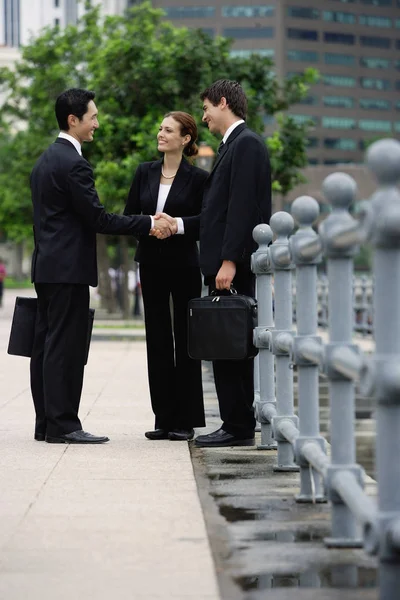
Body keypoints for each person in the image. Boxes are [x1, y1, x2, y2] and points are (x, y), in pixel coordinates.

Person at [30, 88, 173, 445]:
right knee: (64, 346)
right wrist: (146, 224)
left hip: (46, 265)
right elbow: (98, 219)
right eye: (92, 117)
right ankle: (64, 425)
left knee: (46, 345)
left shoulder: (44, 160)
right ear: (73, 120)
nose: (97, 123)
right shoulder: (74, 163)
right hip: (68, 269)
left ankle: (46, 423)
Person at [194, 79, 272, 448]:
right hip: (224, 263)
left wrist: (229, 261)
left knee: (230, 344)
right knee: (226, 342)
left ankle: (237, 425)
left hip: (232, 265)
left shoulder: (247, 144)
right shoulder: (233, 146)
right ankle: (235, 421)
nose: (204, 116)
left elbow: (242, 208)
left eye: (206, 107)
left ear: (223, 102)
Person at [124, 111, 208, 441]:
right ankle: (163, 418)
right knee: (157, 339)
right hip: (152, 262)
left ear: (185, 139)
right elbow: (130, 215)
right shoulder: (144, 172)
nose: (161, 134)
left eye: (168, 130)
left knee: (186, 340)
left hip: (185, 264)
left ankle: (185, 420)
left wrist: (176, 225)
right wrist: (152, 226)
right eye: (160, 128)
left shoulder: (200, 179)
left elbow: (205, 221)